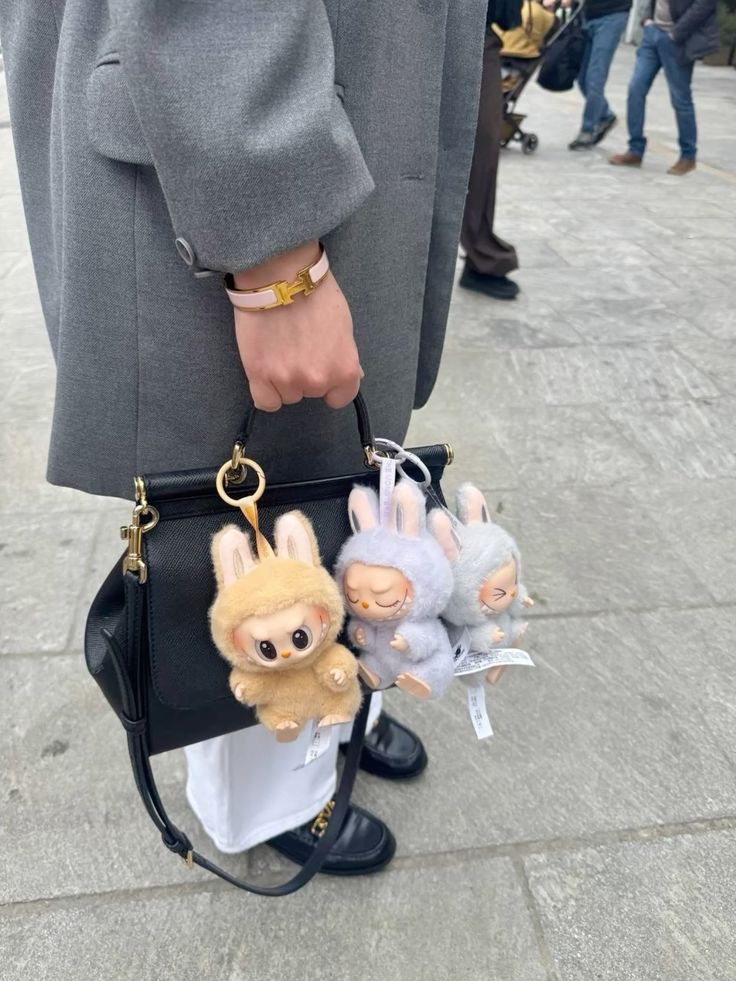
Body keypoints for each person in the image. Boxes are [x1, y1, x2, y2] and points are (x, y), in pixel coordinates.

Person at [0, 0, 487, 876]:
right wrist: (274, 257)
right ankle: (268, 799)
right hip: (230, 131)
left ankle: (339, 702)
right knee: (240, 523)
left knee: (323, 484)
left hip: (321, 101)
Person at [609, 0, 719, 174]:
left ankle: (688, 155)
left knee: (680, 99)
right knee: (635, 89)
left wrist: (676, 33)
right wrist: (646, 19)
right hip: (652, 34)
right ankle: (635, 150)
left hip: (677, 39)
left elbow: (705, 4)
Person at [460, 0, 523, 302]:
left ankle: (482, 256)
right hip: (409, 28)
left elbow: (508, 16)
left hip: (473, 30)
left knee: (481, 151)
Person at [565, 0, 633, 150]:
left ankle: (587, 130)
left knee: (595, 78)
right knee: (583, 79)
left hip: (612, 16)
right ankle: (605, 115)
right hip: (589, 17)